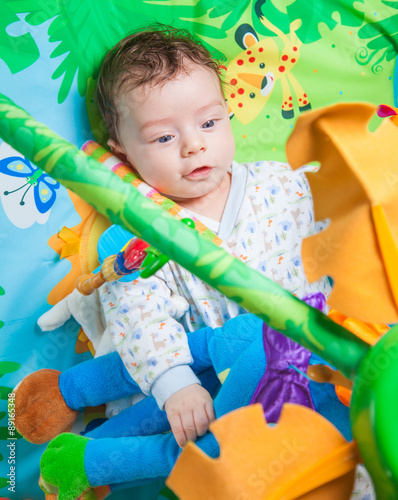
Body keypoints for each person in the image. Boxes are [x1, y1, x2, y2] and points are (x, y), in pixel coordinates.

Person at [92, 24, 330, 448]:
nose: (194, 145)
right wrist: (176, 384)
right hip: (238, 393)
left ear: (227, 113)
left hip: (330, 363)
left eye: (208, 122)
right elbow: (137, 318)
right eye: (164, 137)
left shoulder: (285, 184)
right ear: (121, 151)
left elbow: (349, 212)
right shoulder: (143, 237)